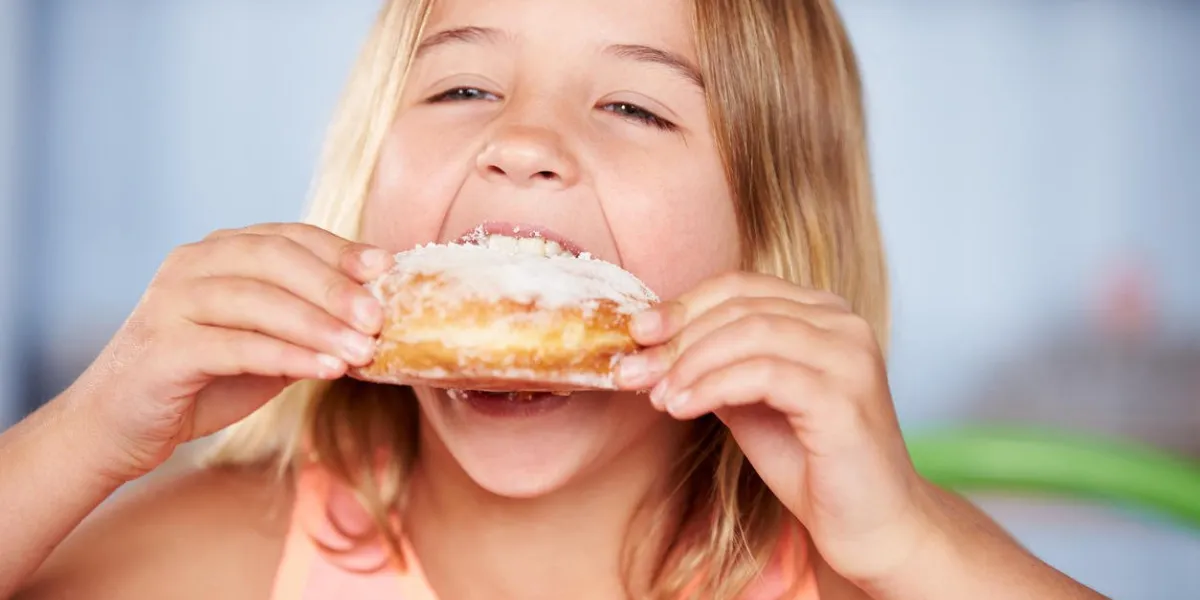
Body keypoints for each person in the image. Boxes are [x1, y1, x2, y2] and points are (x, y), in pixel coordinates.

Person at [1, 0, 1106, 598]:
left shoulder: (879, 571)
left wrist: (910, 544)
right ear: (362, 180)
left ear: (771, 240)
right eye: (463, 86)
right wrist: (86, 435)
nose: (522, 142)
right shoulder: (229, 555)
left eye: (633, 106)